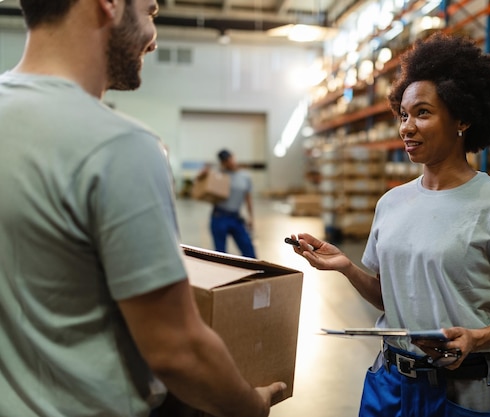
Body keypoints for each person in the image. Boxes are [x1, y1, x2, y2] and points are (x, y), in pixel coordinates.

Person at [0, 1, 284, 416]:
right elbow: (177, 349)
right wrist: (250, 406)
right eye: (150, 12)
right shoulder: (119, 146)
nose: (153, 40)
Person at [290, 32, 490, 417]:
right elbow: (393, 299)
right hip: (391, 384)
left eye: (423, 113)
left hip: (464, 391)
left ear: (463, 118)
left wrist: (479, 337)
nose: (406, 128)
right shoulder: (391, 203)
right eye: (404, 114)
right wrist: (346, 266)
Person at [208, 149, 257, 258]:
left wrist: (251, 217)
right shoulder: (219, 175)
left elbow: (248, 198)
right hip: (219, 216)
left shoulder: (245, 177)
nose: (229, 162)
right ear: (222, 163)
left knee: (249, 250)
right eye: (225, 161)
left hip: (235, 217)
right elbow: (203, 186)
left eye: (230, 159)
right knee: (220, 254)